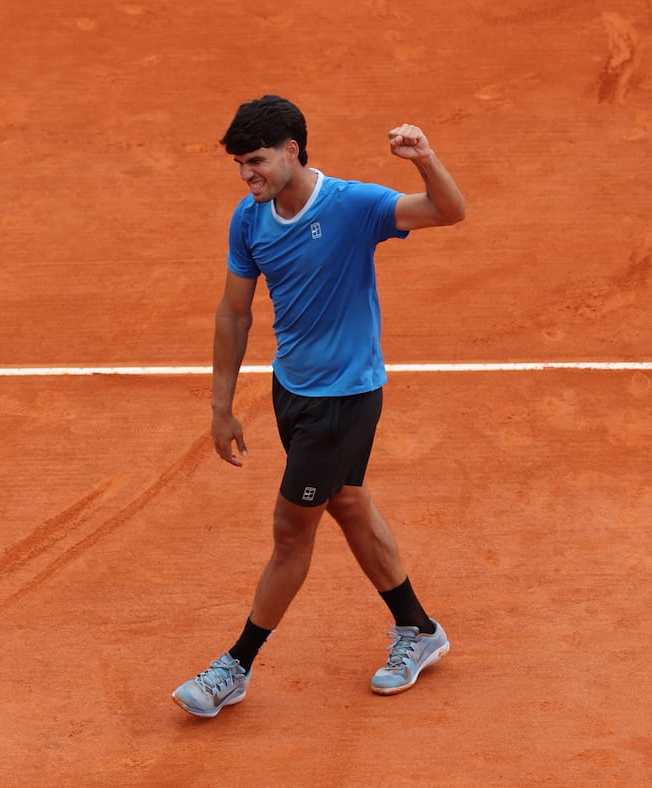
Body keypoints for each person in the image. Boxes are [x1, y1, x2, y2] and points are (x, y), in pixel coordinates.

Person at [171, 95, 467, 718]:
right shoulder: (249, 219)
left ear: (292, 151)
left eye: (255, 161)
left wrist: (425, 158)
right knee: (348, 501)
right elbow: (234, 312)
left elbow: (449, 210)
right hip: (292, 391)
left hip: (345, 399)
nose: (247, 175)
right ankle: (418, 629)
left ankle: (237, 666)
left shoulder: (354, 205)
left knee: (290, 531)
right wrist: (220, 406)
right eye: (239, 165)